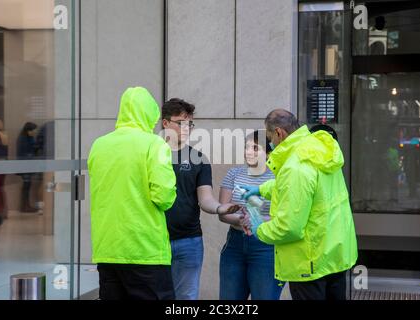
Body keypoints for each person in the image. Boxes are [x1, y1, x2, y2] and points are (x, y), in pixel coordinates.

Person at [241, 109, 358, 300]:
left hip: (308, 262)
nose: (270, 143)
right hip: (334, 255)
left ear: (279, 133)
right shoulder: (317, 150)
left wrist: (259, 229)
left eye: (270, 137)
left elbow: (289, 228)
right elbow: (308, 188)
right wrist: (262, 189)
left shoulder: (294, 166)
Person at [88, 87, 177, 300]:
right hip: (145, 251)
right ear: (149, 114)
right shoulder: (154, 144)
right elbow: (164, 197)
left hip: (107, 250)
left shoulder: (99, 145)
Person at [161, 98, 241, 300]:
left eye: (190, 124)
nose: (186, 128)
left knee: (186, 298)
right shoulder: (151, 154)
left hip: (189, 240)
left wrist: (220, 208)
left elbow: (205, 199)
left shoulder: (199, 158)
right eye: (181, 123)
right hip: (154, 240)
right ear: (165, 123)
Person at [218, 130, 284, 300]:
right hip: (235, 243)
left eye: (255, 148)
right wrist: (241, 219)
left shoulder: (280, 176)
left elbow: (284, 216)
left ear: (269, 152)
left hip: (267, 246)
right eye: (247, 147)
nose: (249, 152)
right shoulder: (234, 174)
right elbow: (223, 212)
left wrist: (255, 221)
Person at [16, 122, 39, 212]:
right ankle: (25, 206)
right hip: (25, 165)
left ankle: (26, 205)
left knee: (27, 185)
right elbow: (24, 153)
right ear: (28, 130)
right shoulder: (23, 139)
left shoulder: (29, 138)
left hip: (28, 165)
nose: (34, 132)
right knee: (26, 185)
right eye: (33, 130)